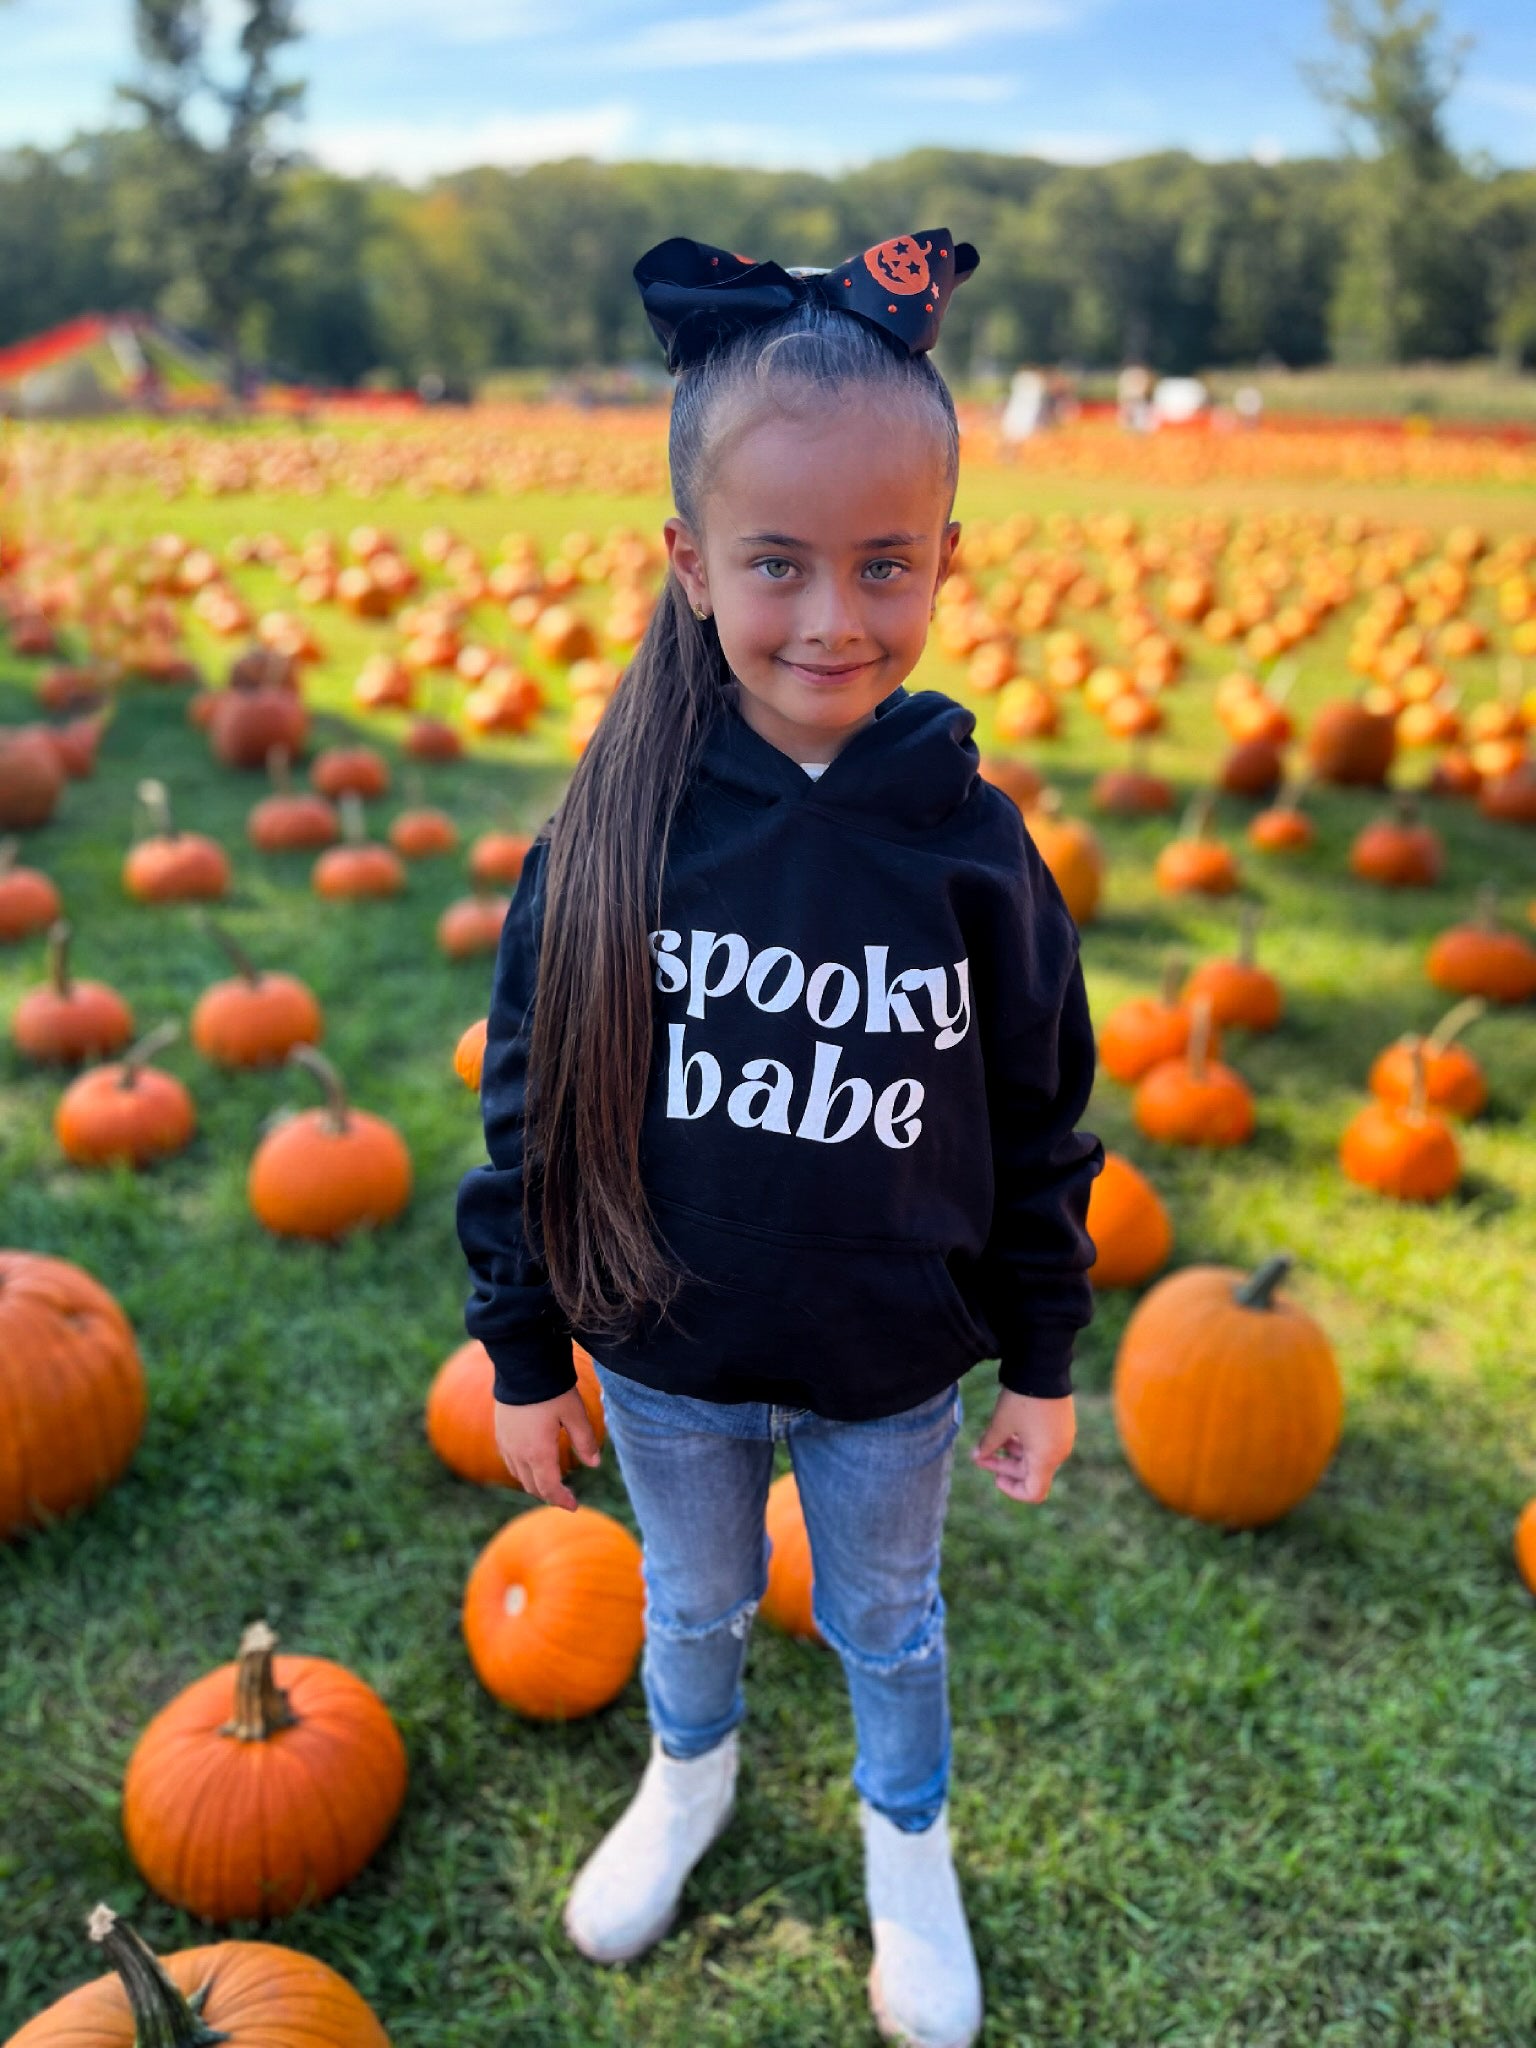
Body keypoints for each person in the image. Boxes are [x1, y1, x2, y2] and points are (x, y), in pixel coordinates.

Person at [456, 227, 1104, 2048]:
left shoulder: (972, 847)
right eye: (780, 565)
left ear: (950, 563)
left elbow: (1046, 1120)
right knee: (694, 1599)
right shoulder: (619, 833)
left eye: (886, 565)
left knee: (889, 1625)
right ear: (690, 564)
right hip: (668, 1359)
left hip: (893, 1372)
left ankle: (913, 1848)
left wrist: (1040, 1361)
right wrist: (523, 1344)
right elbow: (523, 1101)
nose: (835, 616)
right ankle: (691, 1777)